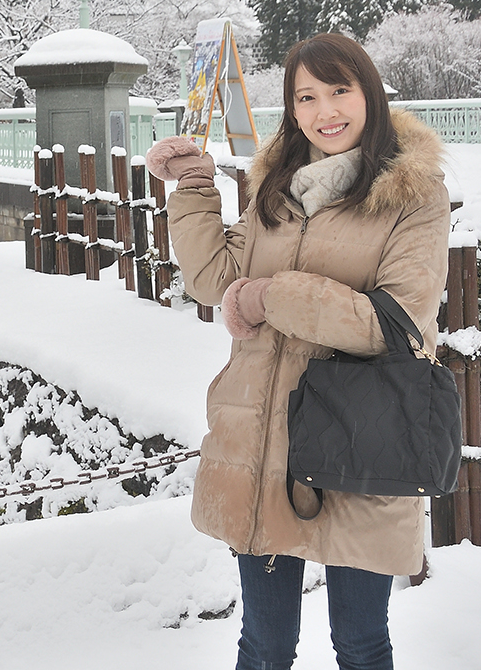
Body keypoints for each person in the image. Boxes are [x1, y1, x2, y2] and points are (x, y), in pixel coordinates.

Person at [145, 33, 448, 670]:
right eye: (305, 97)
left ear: (369, 94)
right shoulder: (277, 188)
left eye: (340, 90)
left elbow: (395, 323)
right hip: (263, 442)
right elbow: (213, 281)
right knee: (265, 645)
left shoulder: (411, 194)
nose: (324, 111)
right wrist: (197, 185)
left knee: (361, 645)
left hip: (361, 440)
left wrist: (271, 297)